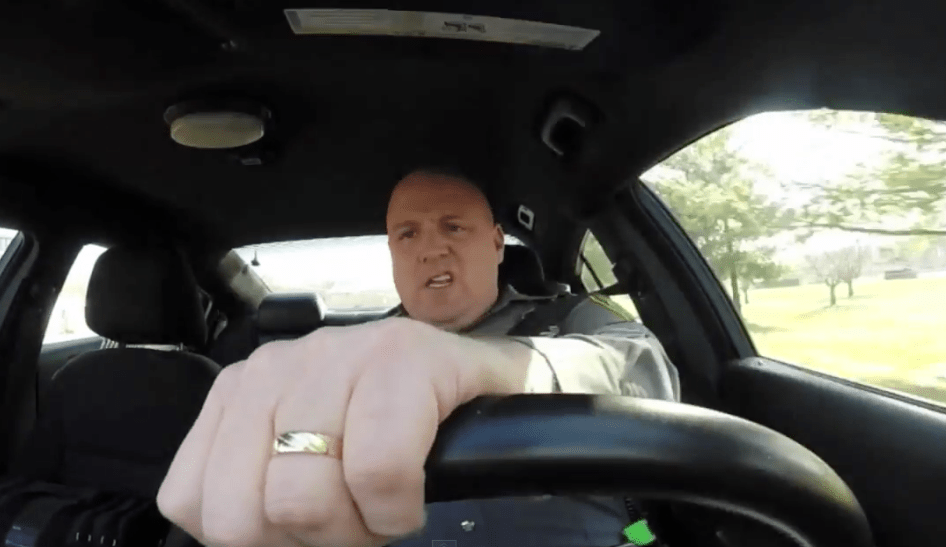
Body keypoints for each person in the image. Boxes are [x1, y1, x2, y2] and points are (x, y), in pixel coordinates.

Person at [156, 168, 680, 547]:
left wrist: (488, 367)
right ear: (393, 255)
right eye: (408, 234)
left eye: (454, 227)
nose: (431, 249)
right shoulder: (352, 359)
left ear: (497, 244)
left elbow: (644, 371)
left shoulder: (575, 317)